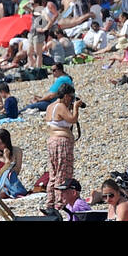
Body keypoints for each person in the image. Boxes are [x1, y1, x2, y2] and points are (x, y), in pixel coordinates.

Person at [43, 83, 82, 217]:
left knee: (53, 173)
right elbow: (73, 119)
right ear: (66, 96)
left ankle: (50, 203)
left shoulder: (50, 106)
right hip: (62, 142)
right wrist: (76, 107)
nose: (71, 100)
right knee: (63, 173)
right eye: (71, 97)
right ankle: (60, 203)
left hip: (52, 142)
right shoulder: (60, 106)